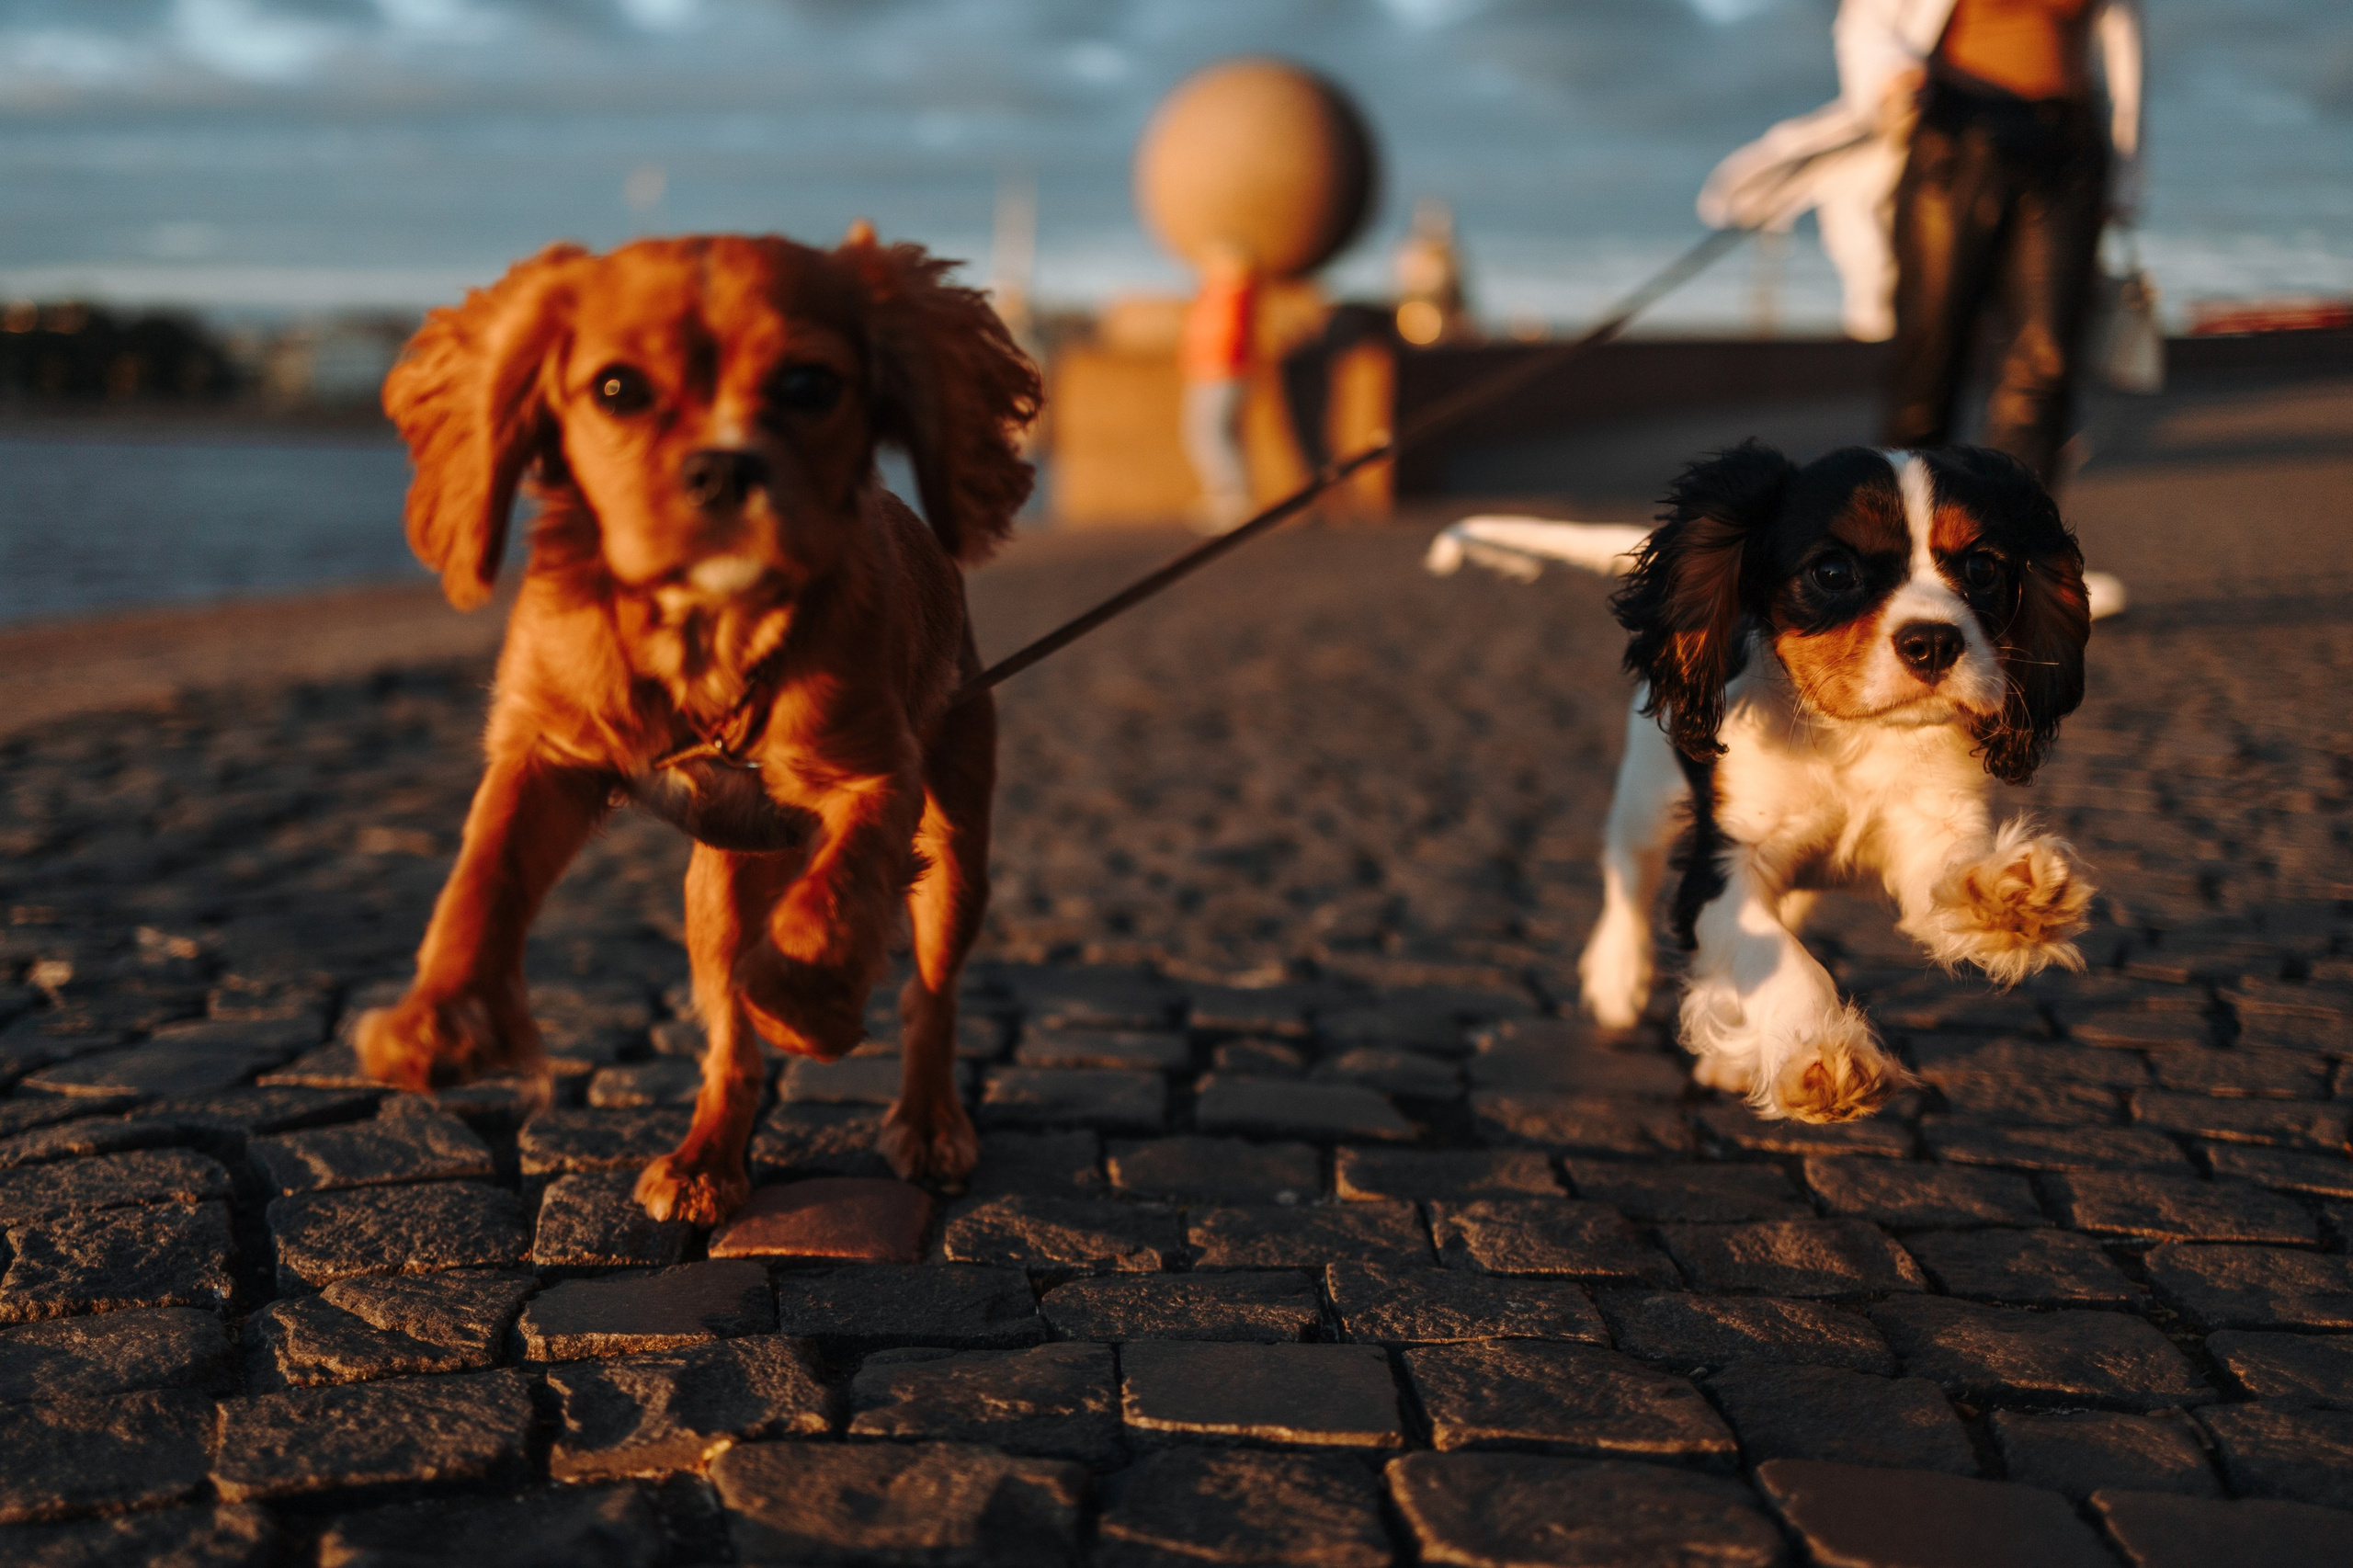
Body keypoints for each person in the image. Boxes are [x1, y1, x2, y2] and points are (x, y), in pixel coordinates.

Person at [1699, 0, 2140, 487]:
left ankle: (2020, 542)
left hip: (2070, 150)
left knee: (2048, 362)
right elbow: (1866, 21)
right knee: (1931, 351)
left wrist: (2125, 177)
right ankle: (1903, 527)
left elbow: (2122, 49)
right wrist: (1891, 74)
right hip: (1958, 137)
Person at [1177, 242, 1257, 532]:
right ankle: (1228, 498)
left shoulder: (1231, 292)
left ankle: (1231, 500)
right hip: (1215, 371)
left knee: (1207, 434)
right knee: (1218, 434)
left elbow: (1221, 336)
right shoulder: (1224, 293)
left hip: (1218, 372)